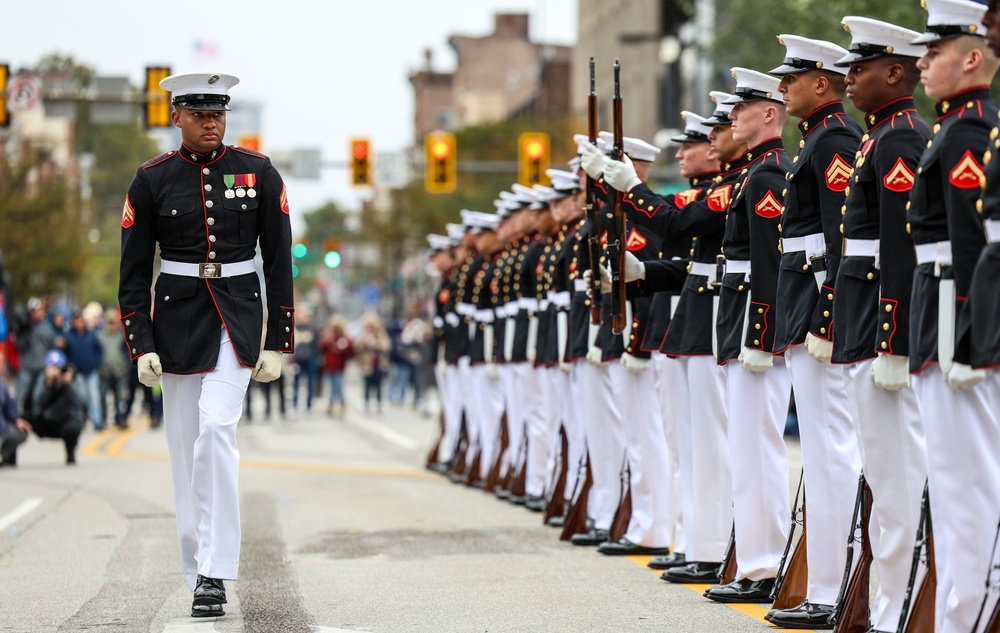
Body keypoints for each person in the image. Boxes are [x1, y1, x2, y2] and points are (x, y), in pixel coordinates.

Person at [118, 71, 293, 619]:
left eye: (218, 112)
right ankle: (197, 569)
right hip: (175, 322)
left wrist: (277, 340)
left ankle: (216, 570)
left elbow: (280, 258)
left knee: (217, 429)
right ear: (177, 118)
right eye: (199, 113)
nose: (211, 121)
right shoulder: (151, 180)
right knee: (183, 451)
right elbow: (131, 272)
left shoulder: (258, 173)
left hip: (237, 317)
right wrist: (139, 342)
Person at [825, 18, 930, 632]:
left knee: (896, 482)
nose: (848, 80)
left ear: (895, 72)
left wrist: (891, 340)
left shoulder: (899, 139)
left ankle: (899, 612)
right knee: (883, 478)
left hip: (880, 327)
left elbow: (901, 244)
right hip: (864, 321)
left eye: (858, 70)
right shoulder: (880, 136)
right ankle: (890, 609)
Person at [906, 1, 1000, 630]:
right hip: (936, 310)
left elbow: (973, 244)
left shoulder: (969, 132)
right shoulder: (950, 129)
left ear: (971, 57)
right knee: (950, 482)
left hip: (954, 316)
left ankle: (973, 614)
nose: (922, 64)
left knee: (971, 485)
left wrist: (970, 337)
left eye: (934, 53)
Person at [765, 35, 864, 626]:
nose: (783, 90)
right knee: (823, 455)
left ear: (821, 83)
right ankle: (827, 585)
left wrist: (827, 316)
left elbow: (839, 240)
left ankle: (836, 588)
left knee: (833, 453)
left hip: (819, 313)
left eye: (791, 80)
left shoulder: (835, 141)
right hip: (803, 306)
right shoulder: (819, 139)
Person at [22, 349, 85, 465]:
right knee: (21, 418)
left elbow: (81, 401)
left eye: (58, 368)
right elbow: (37, 402)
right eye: (51, 367)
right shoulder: (42, 377)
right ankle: (9, 456)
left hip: (67, 420)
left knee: (75, 425)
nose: (55, 371)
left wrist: (68, 385)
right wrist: (48, 384)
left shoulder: (74, 377)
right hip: (47, 419)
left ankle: (70, 453)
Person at [12, 297, 56, 412]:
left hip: (41, 367)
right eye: (36, 310)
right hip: (27, 367)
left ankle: (37, 420)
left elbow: (52, 346)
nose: (39, 313)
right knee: (21, 395)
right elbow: (19, 346)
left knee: (38, 396)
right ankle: (16, 418)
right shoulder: (25, 327)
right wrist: (25, 328)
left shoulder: (46, 327)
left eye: (40, 310)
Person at [64, 308, 105, 430]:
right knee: (80, 398)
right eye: (75, 319)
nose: (78, 322)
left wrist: (95, 362)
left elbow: (99, 351)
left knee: (94, 396)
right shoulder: (68, 336)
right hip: (77, 372)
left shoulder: (91, 335)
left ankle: (97, 421)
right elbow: (65, 353)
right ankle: (81, 420)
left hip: (91, 371)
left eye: (80, 319)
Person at [97, 309, 132, 429]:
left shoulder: (122, 336)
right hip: (104, 370)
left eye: (113, 322)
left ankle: (119, 419)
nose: (111, 325)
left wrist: (126, 363)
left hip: (120, 370)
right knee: (102, 395)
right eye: (109, 322)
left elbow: (127, 351)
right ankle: (103, 419)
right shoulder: (100, 336)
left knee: (120, 396)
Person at [319, 315, 354, 417]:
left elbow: (351, 352)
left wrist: (343, 346)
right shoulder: (329, 338)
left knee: (338, 386)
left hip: (339, 367)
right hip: (329, 366)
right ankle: (330, 404)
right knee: (330, 386)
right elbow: (322, 347)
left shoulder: (345, 339)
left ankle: (342, 403)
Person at [355, 313, 390, 414]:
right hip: (367, 364)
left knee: (379, 386)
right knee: (367, 386)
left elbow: (386, 346)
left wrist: (377, 343)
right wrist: (365, 340)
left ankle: (379, 405)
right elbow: (358, 347)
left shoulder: (380, 334)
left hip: (379, 364)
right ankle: (366, 405)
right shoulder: (363, 335)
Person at [0, 353, 30, 467]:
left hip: (3, 426)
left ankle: (5, 456)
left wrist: (17, 420)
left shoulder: (2, 385)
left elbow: (10, 407)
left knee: (22, 431)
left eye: (2, 362)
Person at [291, 309, 319, 413]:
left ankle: (309, 405)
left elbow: (316, 345)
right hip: (298, 359)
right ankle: (295, 404)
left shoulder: (312, 329)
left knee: (311, 383)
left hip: (310, 358)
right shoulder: (295, 328)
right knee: (296, 383)